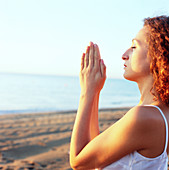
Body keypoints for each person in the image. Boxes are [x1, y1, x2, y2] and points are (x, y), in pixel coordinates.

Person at [69, 15, 169, 170]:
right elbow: (97, 154)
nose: (124, 54)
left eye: (134, 47)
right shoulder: (160, 113)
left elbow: (79, 162)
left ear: (158, 56)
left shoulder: (144, 117)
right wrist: (95, 93)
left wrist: (86, 93)